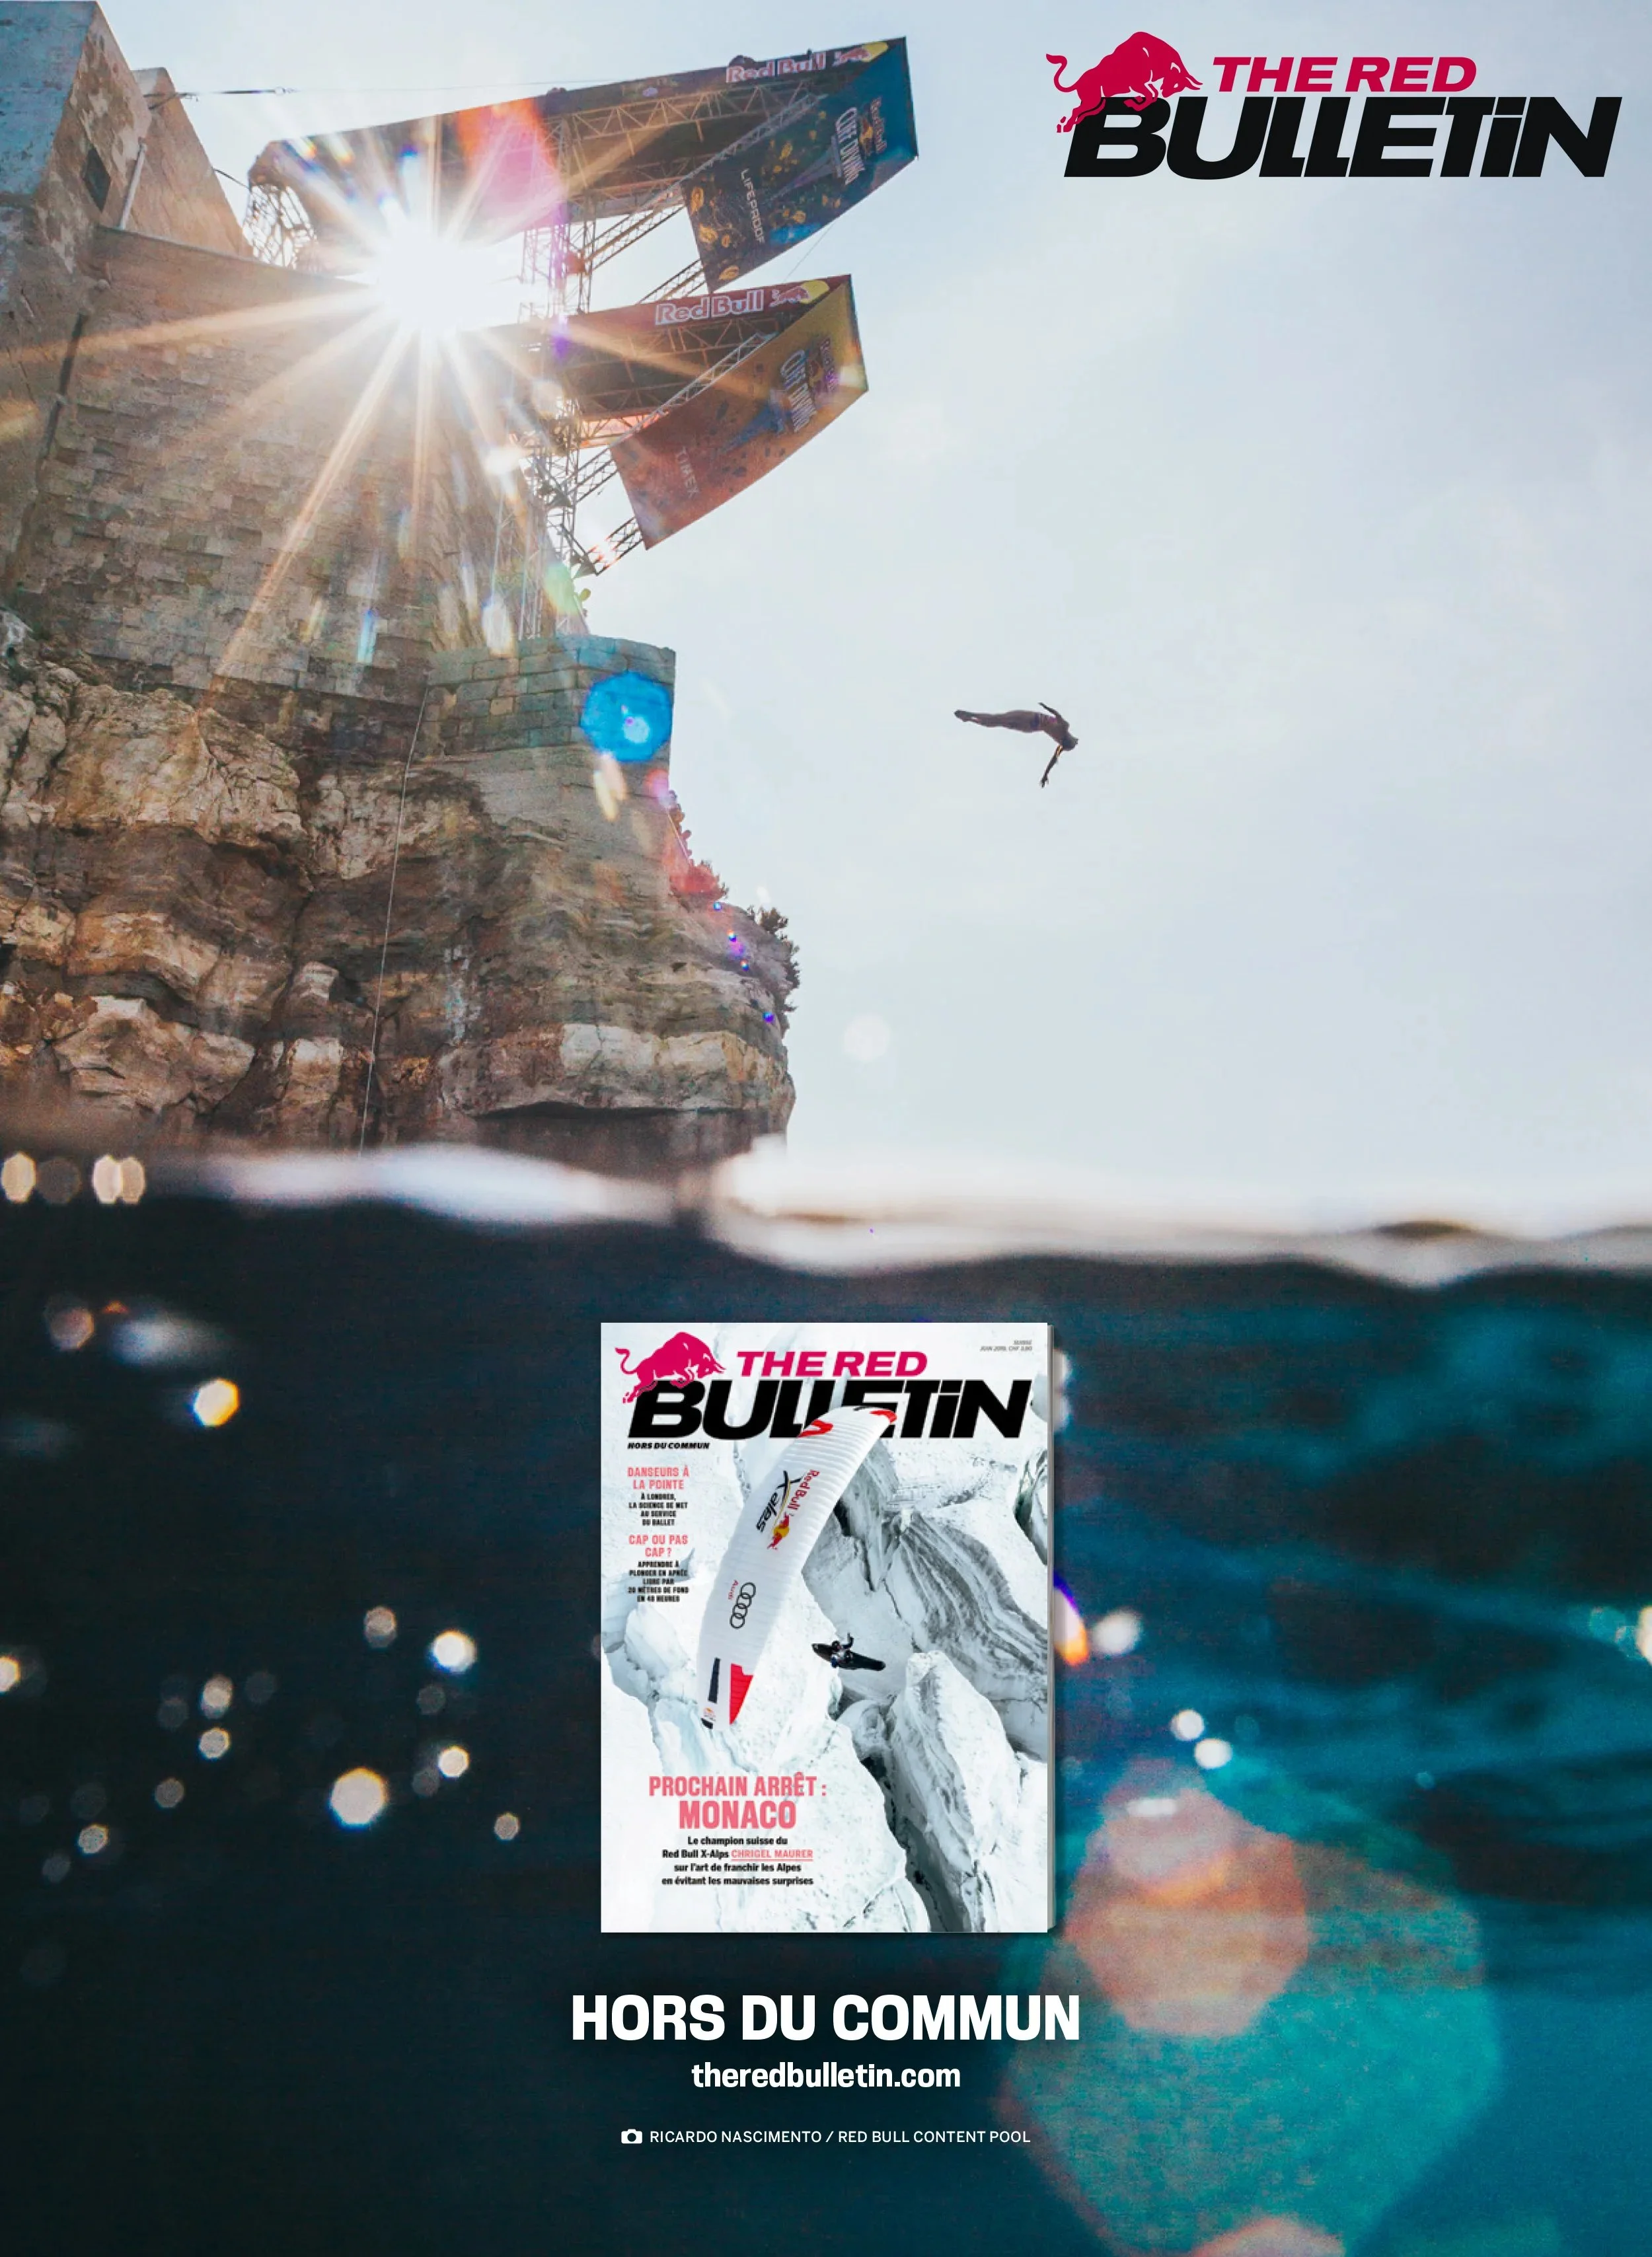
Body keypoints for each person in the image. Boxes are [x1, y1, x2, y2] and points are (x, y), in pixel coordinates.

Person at [955, 702, 1078, 787]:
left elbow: (1057, 715)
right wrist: (1046, 774)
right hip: (1031, 725)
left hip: (1033, 720)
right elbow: (1054, 759)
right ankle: (971, 719)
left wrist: (1046, 708)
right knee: (999, 722)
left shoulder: (1064, 732)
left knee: (999, 719)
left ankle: (972, 716)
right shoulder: (1063, 737)